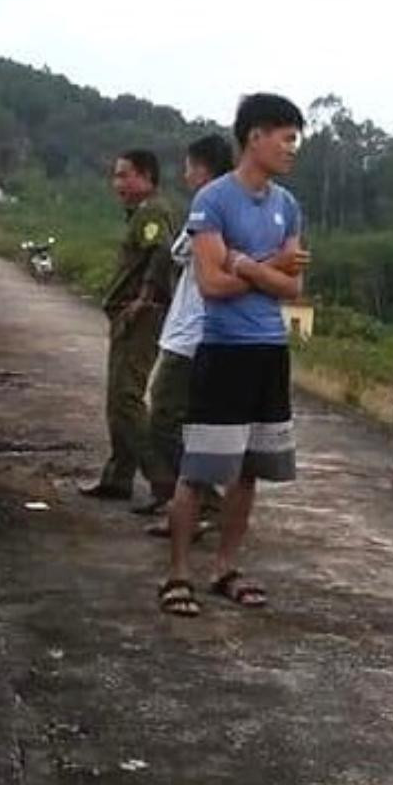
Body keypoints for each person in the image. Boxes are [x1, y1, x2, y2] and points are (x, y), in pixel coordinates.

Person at [159, 93, 308, 616]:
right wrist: (266, 269)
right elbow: (212, 283)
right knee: (200, 468)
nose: (293, 149)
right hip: (223, 349)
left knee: (247, 470)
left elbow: (293, 289)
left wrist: (246, 263)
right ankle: (178, 572)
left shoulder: (287, 205)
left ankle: (224, 565)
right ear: (255, 136)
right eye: (286, 137)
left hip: (270, 350)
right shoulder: (214, 201)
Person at [135, 133, 235, 519]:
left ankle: (200, 499)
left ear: (205, 169)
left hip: (194, 331)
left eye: (191, 166)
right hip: (197, 328)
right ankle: (190, 502)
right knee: (184, 419)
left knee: (163, 416)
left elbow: (179, 252)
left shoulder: (212, 208)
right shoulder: (225, 207)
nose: (186, 173)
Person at [79, 150, 177, 501]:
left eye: (125, 175)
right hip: (129, 316)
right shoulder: (140, 214)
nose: (117, 183)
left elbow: (162, 251)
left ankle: (162, 478)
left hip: (142, 316)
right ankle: (119, 475)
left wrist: (144, 297)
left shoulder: (152, 212)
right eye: (116, 176)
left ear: (147, 177)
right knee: (116, 397)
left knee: (126, 398)